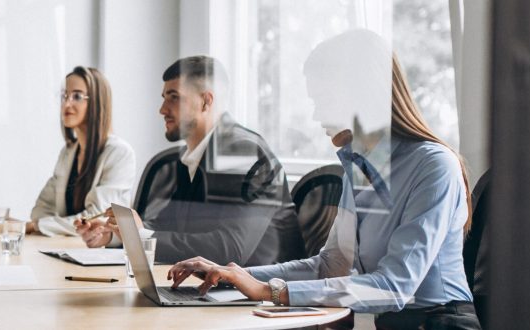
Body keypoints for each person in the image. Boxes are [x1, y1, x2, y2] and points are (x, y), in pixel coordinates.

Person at [166, 30, 480, 329]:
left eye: (323, 100)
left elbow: (393, 287)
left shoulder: (434, 167)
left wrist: (271, 291)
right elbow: (329, 265)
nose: (317, 116)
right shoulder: (360, 167)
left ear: (360, 95)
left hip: (439, 323)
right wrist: (234, 274)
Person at [77, 56, 289, 265]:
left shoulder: (244, 153)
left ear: (206, 101)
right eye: (164, 97)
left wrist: (140, 236)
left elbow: (230, 249)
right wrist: (116, 234)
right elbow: (169, 225)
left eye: (174, 97)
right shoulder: (194, 154)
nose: (162, 109)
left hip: (257, 293)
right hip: (205, 285)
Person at [28, 66, 136, 236]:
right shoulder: (68, 152)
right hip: (67, 247)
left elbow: (97, 218)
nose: (67, 103)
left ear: (97, 102)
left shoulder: (119, 153)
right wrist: (41, 224)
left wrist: (38, 226)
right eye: (64, 96)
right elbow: (41, 210)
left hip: (99, 253)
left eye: (77, 96)